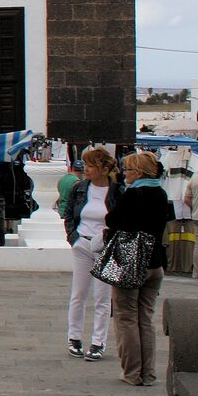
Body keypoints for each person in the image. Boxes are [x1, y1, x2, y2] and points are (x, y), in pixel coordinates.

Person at [104, 151, 176, 386]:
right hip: (155, 260)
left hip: (130, 259)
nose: (125, 174)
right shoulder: (161, 193)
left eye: (129, 170)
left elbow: (112, 220)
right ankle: (149, 373)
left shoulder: (134, 194)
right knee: (145, 318)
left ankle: (132, 372)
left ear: (140, 172)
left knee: (126, 317)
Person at [61, 147, 120, 361]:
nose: (85, 169)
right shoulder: (79, 188)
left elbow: (120, 220)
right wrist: (73, 238)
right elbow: (69, 214)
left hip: (107, 247)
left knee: (102, 297)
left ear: (103, 169)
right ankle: (74, 337)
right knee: (79, 293)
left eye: (90, 166)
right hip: (83, 244)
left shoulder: (117, 191)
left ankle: (98, 342)